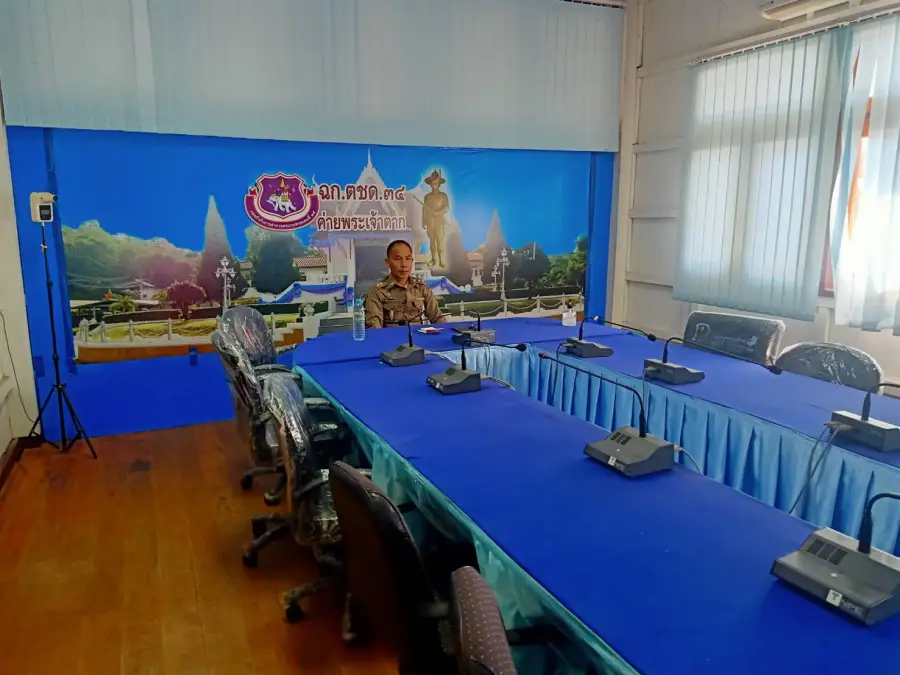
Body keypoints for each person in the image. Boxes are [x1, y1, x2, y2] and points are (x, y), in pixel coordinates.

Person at [365, 240, 446, 328]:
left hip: (418, 336)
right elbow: (375, 327)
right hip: (390, 336)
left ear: (412, 261)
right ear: (387, 262)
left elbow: (437, 317)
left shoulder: (421, 287)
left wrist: (445, 331)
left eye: (408, 259)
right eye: (398, 259)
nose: (404, 264)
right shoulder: (376, 291)